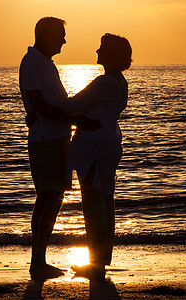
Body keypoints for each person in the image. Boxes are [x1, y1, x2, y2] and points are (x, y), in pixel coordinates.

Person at [19, 16, 101, 280]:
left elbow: (45, 104)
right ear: (46, 35)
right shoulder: (33, 62)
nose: (64, 41)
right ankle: (37, 262)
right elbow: (39, 104)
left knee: (51, 197)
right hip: (46, 139)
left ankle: (38, 261)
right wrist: (75, 119)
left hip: (54, 138)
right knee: (49, 197)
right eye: (60, 35)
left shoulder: (42, 63)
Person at [54, 33, 131, 279]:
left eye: (102, 48)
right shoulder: (120, 82)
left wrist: (50, 104)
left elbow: (71, 104)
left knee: (94, 203)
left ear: (111, 55)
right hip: (108, 143)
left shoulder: (104, 83)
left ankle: (96, 265)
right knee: (104, 201)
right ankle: (99, 261)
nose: (97, 51)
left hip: (96, 147)